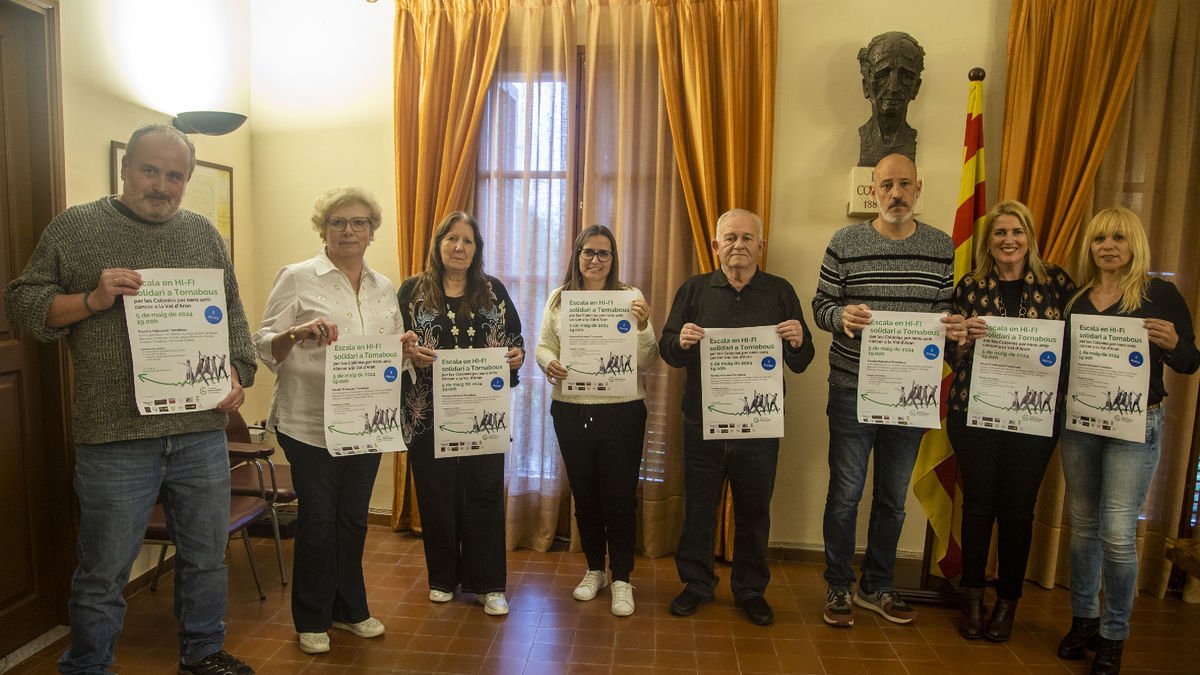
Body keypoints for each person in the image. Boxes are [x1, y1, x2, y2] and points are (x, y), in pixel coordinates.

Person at [4, 124, 257, 675]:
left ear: (187, 180)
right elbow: (24, 306)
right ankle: (88, 665)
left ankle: (203, 654)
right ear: (124, 168)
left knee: (207, 558)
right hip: (115, 437)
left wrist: (237, 375)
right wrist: (92, 299)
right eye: (149, 170)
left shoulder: (203, 235)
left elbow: (234, 322)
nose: (161, 185)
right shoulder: (76, 228)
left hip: (200, 432)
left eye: (175, 175)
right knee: (103, 570)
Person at [253, 187, 415, 654]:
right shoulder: (299, 277)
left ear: (372, 230)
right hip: (309, 423)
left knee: (353, 520)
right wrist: (295, 333)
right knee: (320, 521)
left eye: (359, 222)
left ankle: (350, 609)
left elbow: (387, 352)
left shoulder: (384, 286)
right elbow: (264, 344)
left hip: (367, 421)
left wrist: (403, 351)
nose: (349, 231)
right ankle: (312, 615)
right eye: (338, 222)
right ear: (323, 228)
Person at [812, 153, 964, 627]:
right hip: (851, 388)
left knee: (893, 497)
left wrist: (953, 328)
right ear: (873, 191)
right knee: (845, 493)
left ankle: (877, 585)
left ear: (919, 189)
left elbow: (944, 313)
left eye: (904, 185)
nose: (895, 194)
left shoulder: (941, 247)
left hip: (910, 393)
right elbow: (820, 306)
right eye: (886, 186)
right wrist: (841, 317)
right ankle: (838, 585)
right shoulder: (845, 241)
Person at [1057, 207, 1198, 675]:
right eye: (1099, 239)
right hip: (1080, 425)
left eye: (1118, 237)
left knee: (1117, 534)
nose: (1108, 246)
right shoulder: (1077, 299)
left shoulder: (1160, 294)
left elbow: (1189, 362)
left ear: (1134, 243)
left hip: (1134, 427)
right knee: (1082, 528)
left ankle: (1114, 634)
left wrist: (1175, 342)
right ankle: (1085, 621)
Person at [660, 208, 814, 626]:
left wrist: (799, 340)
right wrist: (682, 340)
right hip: (702, 426)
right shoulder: (693, 290)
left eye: (748, 238)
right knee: (699, 509)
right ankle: (697, 584)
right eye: (730, 238)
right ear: (715, 246)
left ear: (761, 246)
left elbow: (803, 359)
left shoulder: (779, 291)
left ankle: (749, 589)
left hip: (759, 429)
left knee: (754, 511)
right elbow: (668, 350)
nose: (739, 246)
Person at [946, 201, 1076, 641]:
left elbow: (1075, 350)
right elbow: (951, 354)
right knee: (978, 506)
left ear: (1030, 238)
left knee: (1019, 511)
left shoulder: (1057, 283)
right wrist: (962, 340)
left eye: (1017, 232)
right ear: (989, 241)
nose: (1008, 240)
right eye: (1000, 232)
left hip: (1034, 418)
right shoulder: (970, 286)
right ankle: (973, 599)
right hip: (974, 413)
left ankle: (1007, 602)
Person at [396, 211, 525, 616]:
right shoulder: (411, 292)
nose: (459, 247)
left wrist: (516, 356)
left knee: (484, 494)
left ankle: (488, 584)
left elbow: (515, 339)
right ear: (438, 245)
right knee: (436, 496)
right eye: (452, 239)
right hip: (426, 413)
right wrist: (406, 353)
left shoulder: (493, 291)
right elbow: (390, 343)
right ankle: (441, 578)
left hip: (482, 414)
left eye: (467, 241)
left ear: (476, 250)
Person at [535, 224, 659, 617]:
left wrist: (640, 327)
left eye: (603, 253)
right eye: (588, 252)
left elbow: (648, 358)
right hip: (571, 409)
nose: (595, 259)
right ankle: (594, 569)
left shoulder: (629, 297)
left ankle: (622, 576)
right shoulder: (559, 298)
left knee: (619, 497)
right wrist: (547, 363)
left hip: (622, 411)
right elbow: (542, 345)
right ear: (577, 255)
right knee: (585, 495)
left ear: (613, 258)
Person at [857, 31, 924, 167]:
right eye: (882, 75)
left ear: (916, 87)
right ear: (866, 86)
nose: (893, 88)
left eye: (905, 76)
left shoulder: (908, 140)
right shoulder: (866, 137)